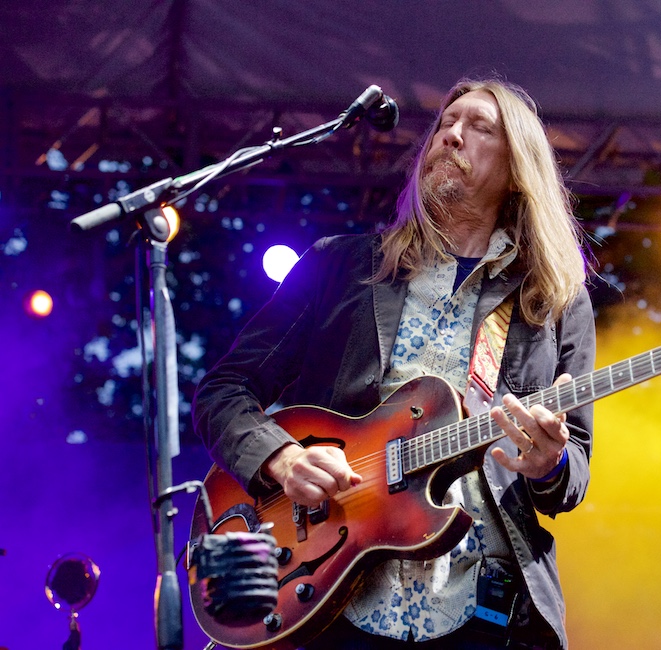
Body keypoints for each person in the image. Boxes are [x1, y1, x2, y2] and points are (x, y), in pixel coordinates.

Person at [192, 77, 596, 649]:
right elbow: (223, 391)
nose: (451, 135)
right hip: (334, 601)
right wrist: (281, 459)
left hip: (481, 611)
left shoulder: (555, 297)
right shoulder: (340, 266)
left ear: (517, 169)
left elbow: (573, 473)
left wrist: (549, 465)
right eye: (445, 124)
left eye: (480, 127)